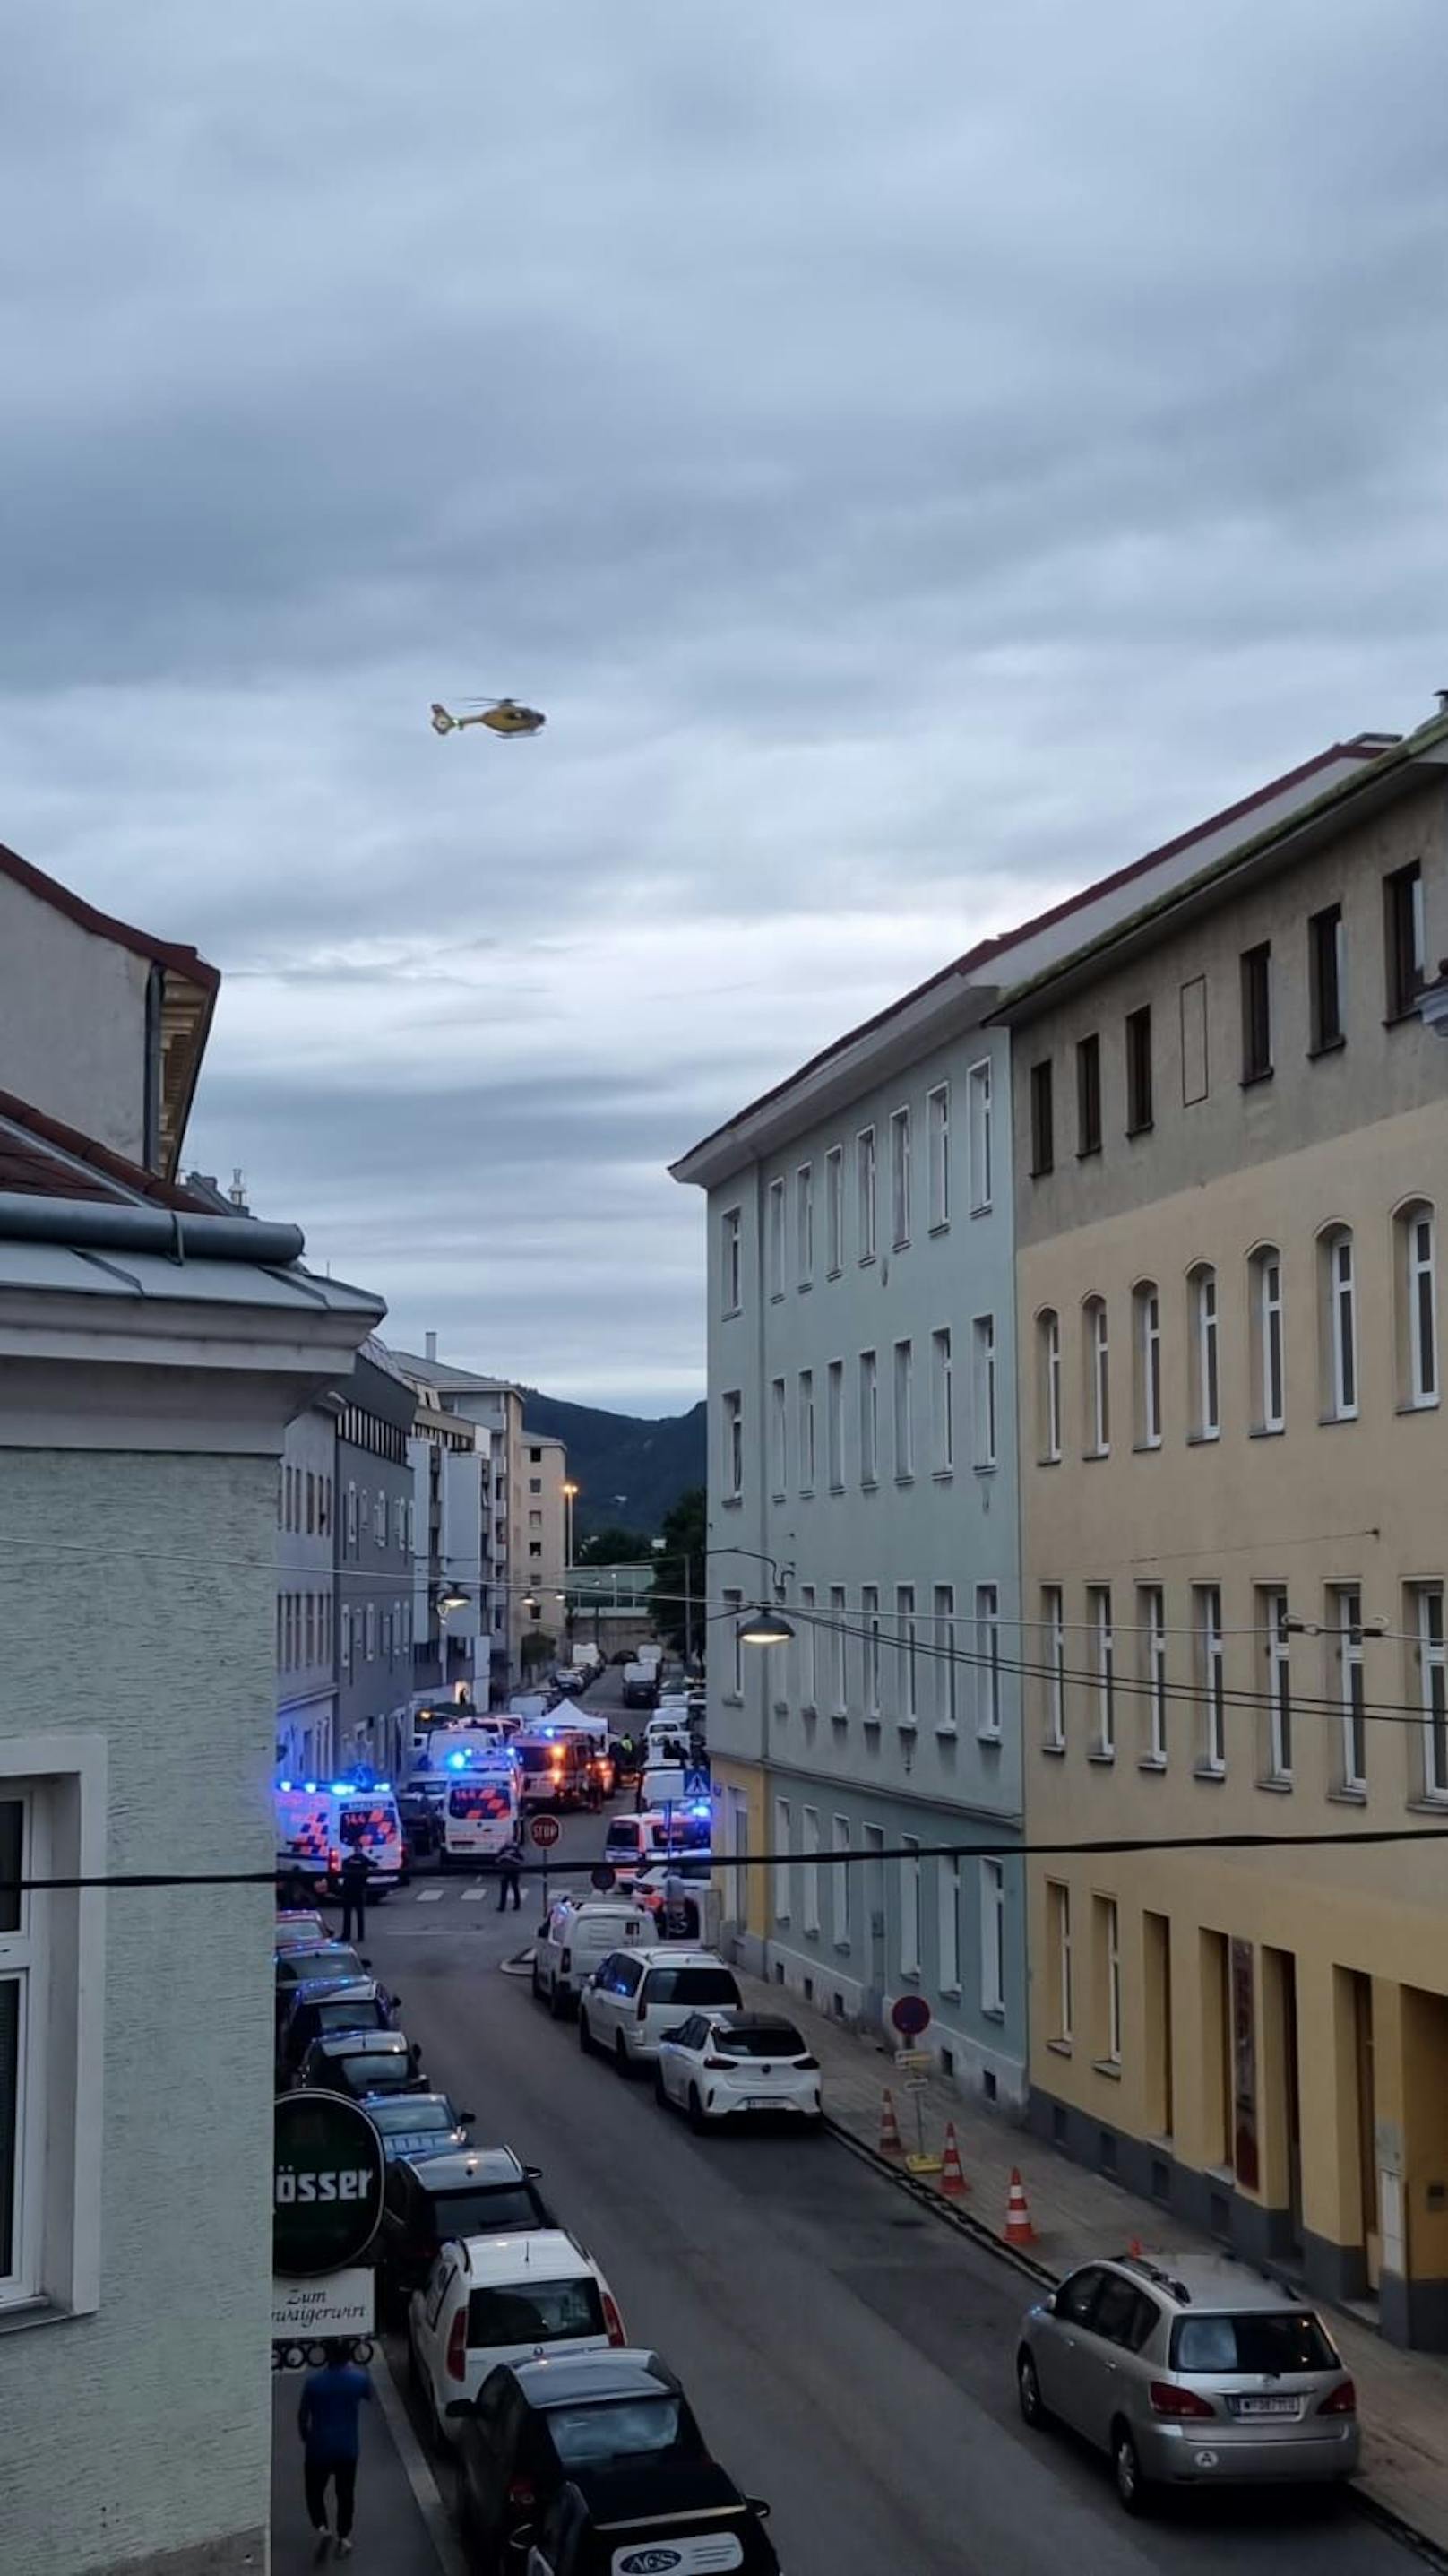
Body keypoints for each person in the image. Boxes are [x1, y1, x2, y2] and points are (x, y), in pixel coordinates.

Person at [298, 2338, 372, 2558]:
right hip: (347, 2448)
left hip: (318, 2448)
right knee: (345, 2494)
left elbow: (303, 2417)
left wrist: (306, 2438)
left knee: (314, 2491)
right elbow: (369, 2396)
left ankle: (322, 2527)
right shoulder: (358, 2379)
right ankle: (344, 2536)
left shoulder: (313, 2383)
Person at [337, 1837, 373, 1944]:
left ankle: (359, 1935)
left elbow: (372, 1864)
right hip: (351, 1889)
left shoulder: (361, 1860)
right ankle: (347, 1934)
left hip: (357, 1889)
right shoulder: (353, 1860)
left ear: (361, 1849)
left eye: (358, 1848)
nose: (356, 1850)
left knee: (359, 1913)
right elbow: (344, 1864)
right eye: (355, 1848)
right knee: (348, 1913)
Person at [496, 1828, 523, 1913]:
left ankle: (517, 1905)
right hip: (504, 1870)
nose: (508, 1841)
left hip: (514, 1871)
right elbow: (496, 1860)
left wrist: (511, 1858)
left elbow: (520, 1860)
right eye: (507, 1839)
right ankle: (502, 1906)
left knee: (515, 1888)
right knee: (503, 1889)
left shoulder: (515, 1850)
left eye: (509, 1839)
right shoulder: (502, 1849)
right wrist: (502, 1857)